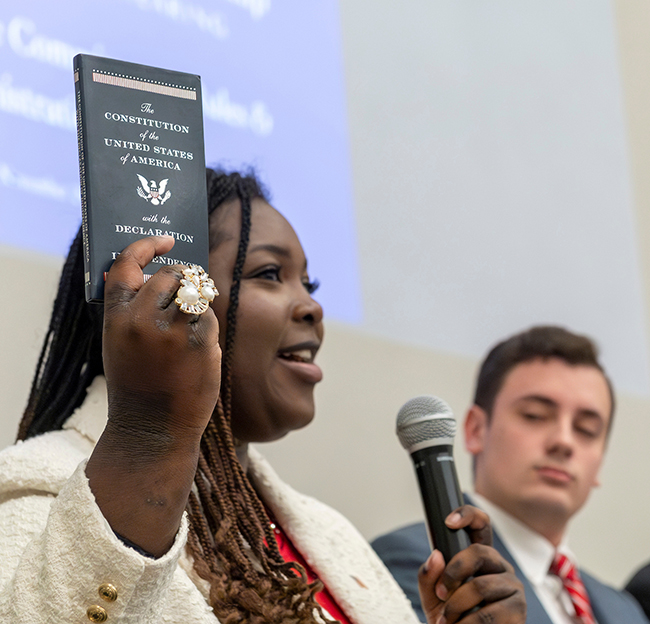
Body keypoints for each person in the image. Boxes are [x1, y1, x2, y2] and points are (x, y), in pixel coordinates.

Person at [0, 169, 526, 624]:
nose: (312, 308)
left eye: (310, 284)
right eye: (270, 275)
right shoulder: (34, 491)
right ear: (170, 298)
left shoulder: (326, 537)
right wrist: (149, 433)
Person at [372, 325, 649, 624]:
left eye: (586, 430)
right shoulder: (415, 562)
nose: (564, 441)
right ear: (476, 430)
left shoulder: (626, 610)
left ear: (601, 462)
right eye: (534, 415)